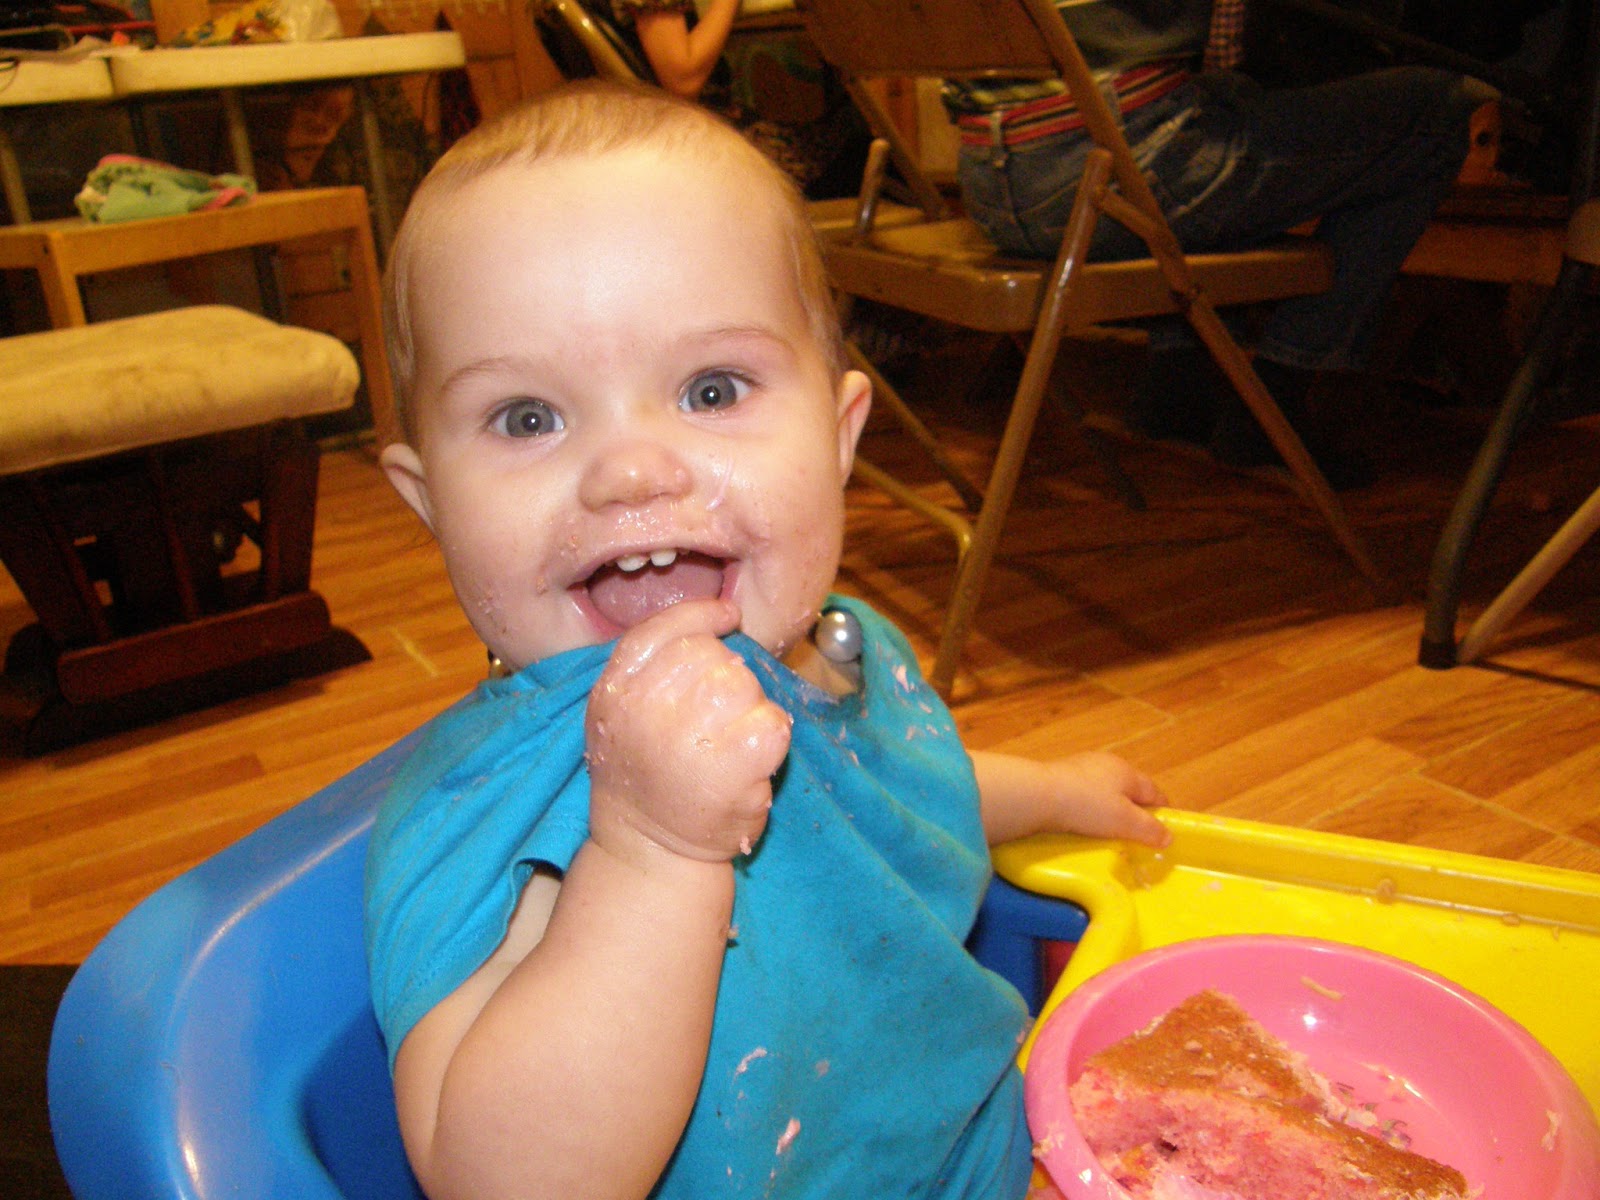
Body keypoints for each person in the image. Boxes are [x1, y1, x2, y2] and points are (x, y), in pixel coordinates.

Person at [367, 79, 1169, 1200]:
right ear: (430, 505)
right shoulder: (493, 813)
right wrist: (649, 853)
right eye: (527, 417)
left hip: (983, 1152)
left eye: (711, 389)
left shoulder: (833, 651)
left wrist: (1048, 790)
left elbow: (884, 787)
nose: (631, 470)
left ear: (839, 438)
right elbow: (503, 1182)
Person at [943, 0, 1489, 485]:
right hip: (1108, 177)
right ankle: (1276, 403)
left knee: (1227, 96)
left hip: (992, 189)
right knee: (1435, 108)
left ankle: (1178, 378)